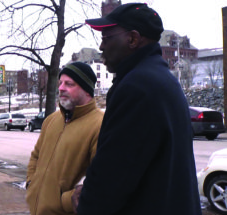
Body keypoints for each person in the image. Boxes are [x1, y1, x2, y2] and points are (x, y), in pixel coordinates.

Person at [75, 3, 201, 214]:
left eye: (106, 38)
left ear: (132, 39)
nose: (101, 47)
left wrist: (87, 203)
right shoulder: (161, 79)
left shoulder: (137, 87)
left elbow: (114, 172)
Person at [26, 62, 104, 214]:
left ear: (87, 90)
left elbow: (101, 180)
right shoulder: (52, 120)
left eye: (69, 84)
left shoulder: (101, 125)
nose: (61, 88)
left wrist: (66, 201)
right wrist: (31, 183)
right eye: (60, 83)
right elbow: (36, 156)